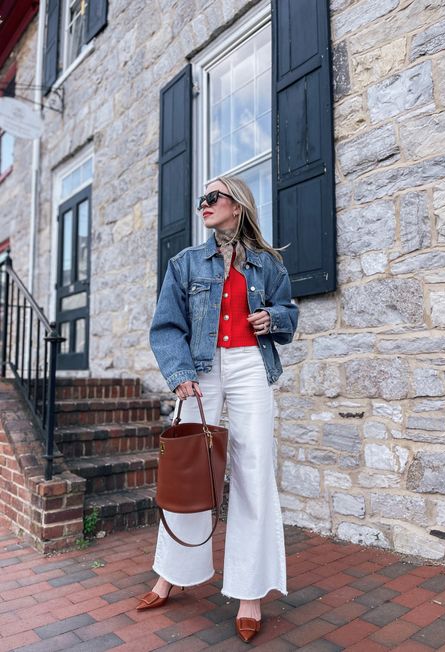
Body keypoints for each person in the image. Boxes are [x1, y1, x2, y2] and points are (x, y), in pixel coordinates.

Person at [137, 175, 298, 643]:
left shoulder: (267, 263)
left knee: (252, 469)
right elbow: (166, 326)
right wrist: (179, 371)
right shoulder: (185, 263)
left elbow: (288, 311)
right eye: (200, 200)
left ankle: (249, 593)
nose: (203, 205)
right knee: (189, 471)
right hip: (200, 370)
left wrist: (274, 319)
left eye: (212, 197)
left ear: (238, 204)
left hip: (251, 365)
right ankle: (171, 573)